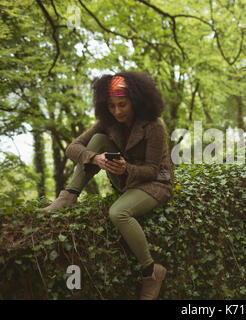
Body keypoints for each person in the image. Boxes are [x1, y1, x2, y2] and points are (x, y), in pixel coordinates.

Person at [42, 71, 175, 300]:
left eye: (122, 105)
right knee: (95, 142)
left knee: (118, 212)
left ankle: (151, 271)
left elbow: (152, 170)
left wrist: (127, 169)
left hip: (155, 182)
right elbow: (72, 147)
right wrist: (95, 158)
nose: (117, 111)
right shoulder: (108, 122)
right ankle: (69, 195)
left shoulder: (154, 126)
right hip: (125, 179)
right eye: (112, 106)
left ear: (136, 100)